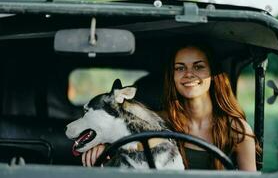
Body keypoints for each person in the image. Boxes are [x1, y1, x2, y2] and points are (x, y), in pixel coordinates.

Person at [81, 43, 261, 171]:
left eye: (198, 67)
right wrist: (103, 145)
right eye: (180, 68)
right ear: (173, 77)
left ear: (213, 74)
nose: (189, 74)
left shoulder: (236, 129)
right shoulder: (158, 122)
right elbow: (122, 132)